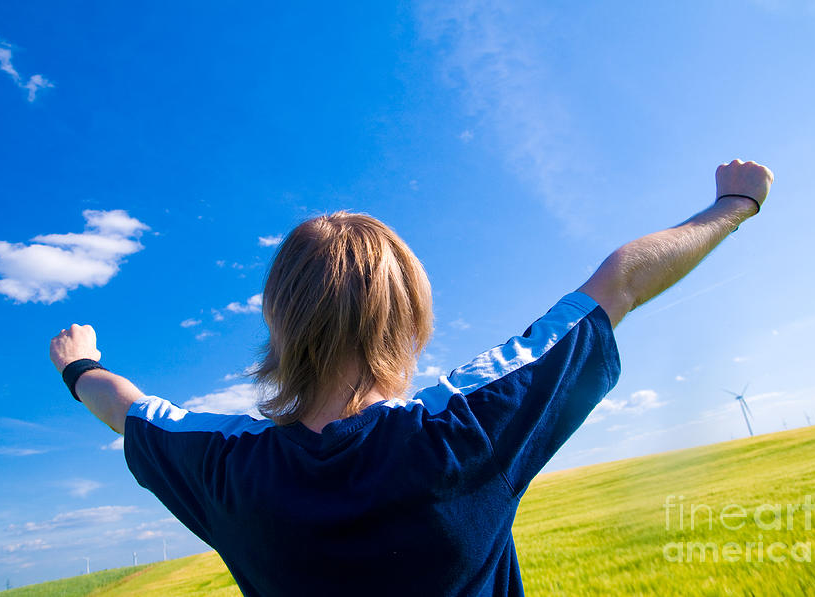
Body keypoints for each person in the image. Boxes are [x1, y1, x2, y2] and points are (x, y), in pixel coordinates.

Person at [49, 159, 773, 596]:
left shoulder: (225, 465)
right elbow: (617, 286)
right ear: (409, 317)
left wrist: (79, 361)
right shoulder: (469, 428)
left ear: (280, 324)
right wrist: (732, 206)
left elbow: (128, 407)